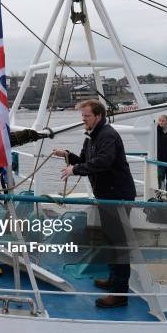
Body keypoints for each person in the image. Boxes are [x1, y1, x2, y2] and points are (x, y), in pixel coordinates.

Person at [53, 98, 136, 308]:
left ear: (98, 116)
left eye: (87, 116)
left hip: (118, 195)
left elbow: (103, 162)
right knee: (110, 240)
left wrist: (74, 170)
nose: (83, 119)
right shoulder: (91, 136)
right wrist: (68, 156)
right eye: (82, 116)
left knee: (119, 244)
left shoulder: (108, 135)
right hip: (106, 196)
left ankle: (119, 294)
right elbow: (84, 160)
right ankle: (113, 280)